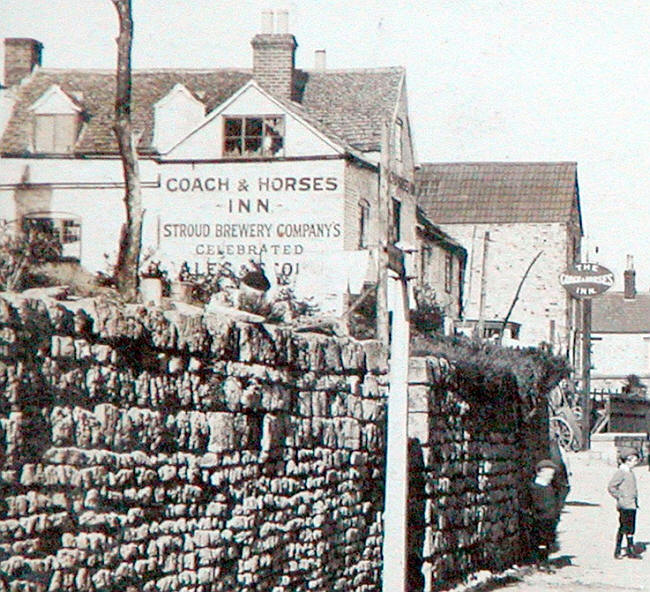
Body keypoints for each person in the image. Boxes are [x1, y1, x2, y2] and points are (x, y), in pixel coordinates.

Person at [608, 447, 642, 559]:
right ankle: (617, 550)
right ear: (628, 460)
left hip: (632, 505)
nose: (635, 463)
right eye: (634, 461)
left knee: (631, 527)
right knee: (623, 527)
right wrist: (620, 496)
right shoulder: (621, 472)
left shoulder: (629, 472)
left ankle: (630, 549)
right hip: (624, 505)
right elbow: (611, 486)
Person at [527, 459, 561, 565]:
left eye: (552, 474)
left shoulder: (550, 487)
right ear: (540, 473)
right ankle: (538, 562)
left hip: (550, 519)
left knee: (547, 541)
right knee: (539, 541)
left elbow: (554, 502)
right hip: (539, 519)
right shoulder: (533, 488)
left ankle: (544, 561)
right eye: (548, 474)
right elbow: (528, 505)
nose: (551, 477)